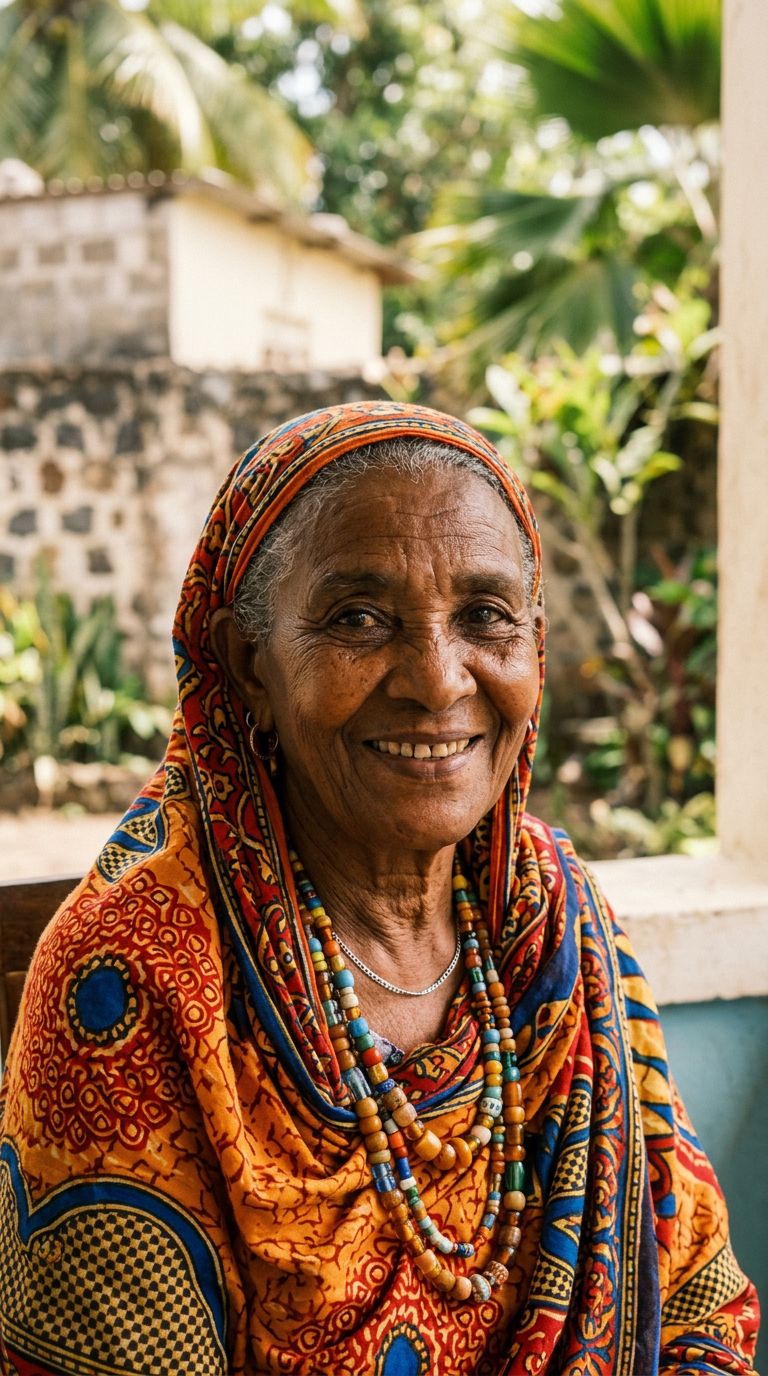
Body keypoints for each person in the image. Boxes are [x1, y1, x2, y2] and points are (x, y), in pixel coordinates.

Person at [0, 401, 758, 1376]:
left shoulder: (552, 912)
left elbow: (697, 1299)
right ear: (249, 664)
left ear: (532, 644)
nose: (438, 680)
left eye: (485, 616)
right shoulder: (131, 976)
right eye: (359, 618)